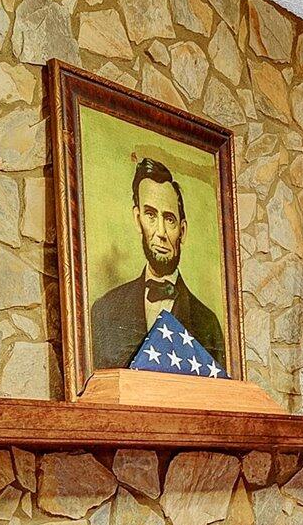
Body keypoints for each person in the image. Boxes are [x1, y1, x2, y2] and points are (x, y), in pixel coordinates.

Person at [90, 153, 226, 371]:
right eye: (151, 215)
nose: (160, 233)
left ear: (182, 230)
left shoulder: (208, 324)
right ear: (138, 219)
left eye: (169, 219)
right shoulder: (104, 311)